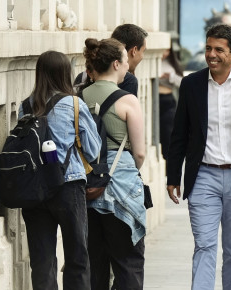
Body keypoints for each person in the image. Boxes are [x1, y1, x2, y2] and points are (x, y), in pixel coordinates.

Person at [166, 23, 231, 290]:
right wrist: (173, 176)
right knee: (204, 244)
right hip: (203, 176)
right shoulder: (191, 84)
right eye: (208, 48)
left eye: (219, 50)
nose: (211, 54)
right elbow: (179, 133)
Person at [20, 50, 100, 290]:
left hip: (35, 189)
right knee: (77, 257)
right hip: (68, 186)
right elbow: (93, 149)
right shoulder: (74, 104)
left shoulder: (26, 106)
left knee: (42, 260)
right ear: (65, 73)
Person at [81, 38, 147, 290]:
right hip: (121, 187)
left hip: (87, 186)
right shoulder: (128, 100)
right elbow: (139, 153)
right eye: (126, 60)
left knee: (95, 261)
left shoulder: (77, 97)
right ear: (117, 63)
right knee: (128, 261)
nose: (129, 65)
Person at [75, 24, 148, 96]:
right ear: (134, 50)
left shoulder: (82, 76)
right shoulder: (129, 80)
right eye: (143, 51)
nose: (142, 56)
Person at [158, 40, 183, 159]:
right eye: (164, 50)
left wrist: (170, 77)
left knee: (168, 133)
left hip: (168, 100)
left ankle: (169, 162)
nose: (165, 53)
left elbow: (182, 82)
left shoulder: (171, 64)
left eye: (168, 50)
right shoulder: (154, 63)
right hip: (156, 100)